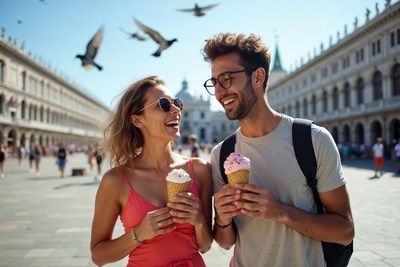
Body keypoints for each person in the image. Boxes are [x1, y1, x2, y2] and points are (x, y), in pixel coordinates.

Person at [201, 33, 354, 266]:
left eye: (226, 79)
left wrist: (282, 212)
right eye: (214, 83)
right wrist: (221, 218)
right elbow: (224, 242)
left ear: (258, 77)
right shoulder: (221, 154)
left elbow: (344, 231)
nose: (219, 92)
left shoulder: (313, 140)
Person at [90, 75, 213, 267]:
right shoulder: (116, 180)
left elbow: (205, 246)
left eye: (177, 103)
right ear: (138, 120)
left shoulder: (200, 170)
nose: (176, 110)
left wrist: (199, 221)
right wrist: (138, 234)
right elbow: (98, 255)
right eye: (163, 104)